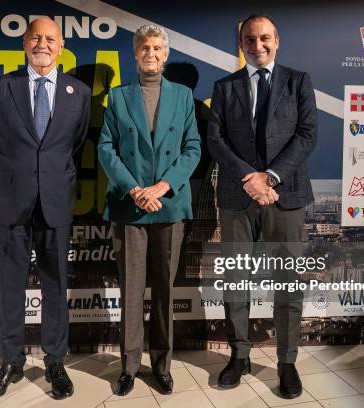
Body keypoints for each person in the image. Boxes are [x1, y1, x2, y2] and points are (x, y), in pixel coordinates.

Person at [0, 17, 90, 400]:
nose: (43, 43)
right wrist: (17, 179)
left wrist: (47, 180)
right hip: (12, 203)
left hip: (56, 204)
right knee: (10, 285)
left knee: (56, 284)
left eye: (50, 38)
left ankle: (54, 362)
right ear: (25, 43)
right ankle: (10, 362)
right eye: (36, 37)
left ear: (61, 46)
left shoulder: (80, 92)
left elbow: (73, 146)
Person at [207, 14, 317, 398]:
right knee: (237, 282)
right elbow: (216, 140)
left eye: (264, 38)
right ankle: (239, 356)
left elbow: (307, 135)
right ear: (241, 44)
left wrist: (269, 177)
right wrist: (249, 179)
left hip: (284, 197)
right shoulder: (225, 87)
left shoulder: (298, 81)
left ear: (277, 40)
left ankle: (287, 364)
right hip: (238, 199)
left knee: (288, 283)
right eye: (249, 40)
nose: (258, 45)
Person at [98, 24, 201, 397]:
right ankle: (128, 367)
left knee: (163, 291)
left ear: (166, 54)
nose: (151, 54)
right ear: (135, 53)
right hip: (130, 207)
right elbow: (106, 149)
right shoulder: (118, 96)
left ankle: (162, 365)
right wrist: (136, 189)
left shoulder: (184, 97)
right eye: (144, 47)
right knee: (130, 291)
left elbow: (193, 148)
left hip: (170, 205)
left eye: (157, 47)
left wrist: (163, 186)